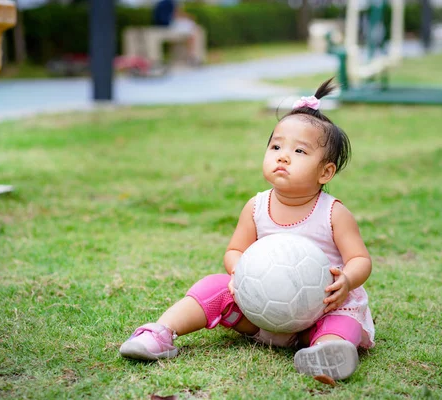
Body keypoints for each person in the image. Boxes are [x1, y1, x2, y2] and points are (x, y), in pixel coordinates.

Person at [119, 78, 375, 382]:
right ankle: (160, 332)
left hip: (320, 310)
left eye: (299, 151)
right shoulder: (256, 207)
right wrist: (241, 273)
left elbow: (360, 259)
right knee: (212, 286)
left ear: (326, 171)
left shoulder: (333, 213)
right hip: (261, 312)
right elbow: (235, 250)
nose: (282, 156)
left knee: (344, 321)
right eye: (276, 146)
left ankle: (327, 351)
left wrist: (346, 280)